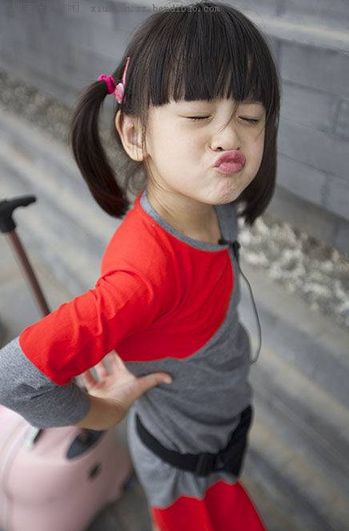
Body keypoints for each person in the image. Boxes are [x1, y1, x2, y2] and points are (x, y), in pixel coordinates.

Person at [0, 1, 281, 529]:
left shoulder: (216, 204)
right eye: (198, 116)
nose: (229, 138)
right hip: (187, 471)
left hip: (221, 429)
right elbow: (13, 379)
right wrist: (103, 412)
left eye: (250, 117)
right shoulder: (143, 279)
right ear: (135, 136)